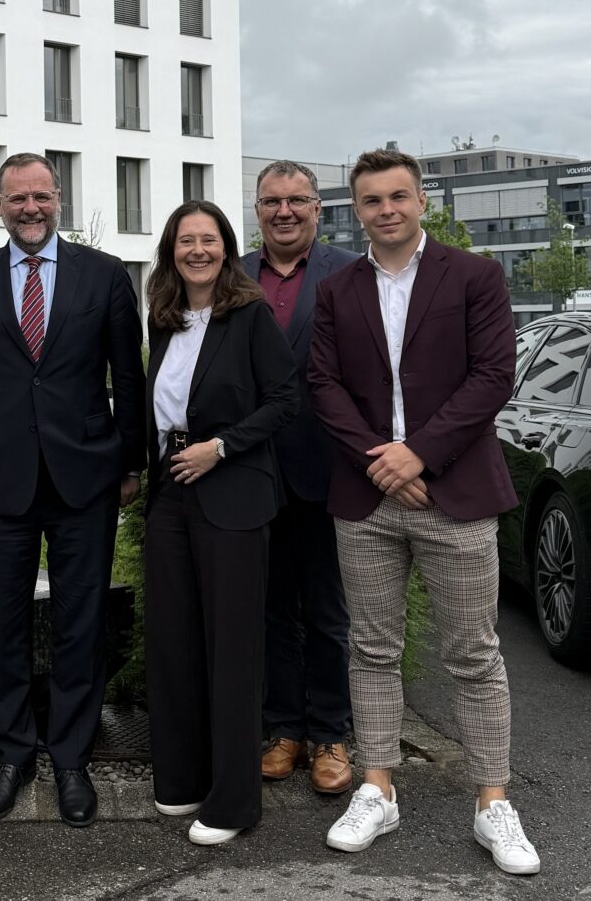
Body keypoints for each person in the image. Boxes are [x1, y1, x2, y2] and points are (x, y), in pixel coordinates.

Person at [308, 148, 540, 876]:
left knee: (473, 652)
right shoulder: (339, 289)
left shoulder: (474, 276)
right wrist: (384, 457)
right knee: (371, 647)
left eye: (398, 196)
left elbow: (493, 374)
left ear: (422, 202)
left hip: (457, 495)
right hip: (367, 495)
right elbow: (324, 382)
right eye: (371, 200)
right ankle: (377, 785)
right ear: (357, 209)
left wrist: (421, 454)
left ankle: (492, 801)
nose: (386, 209)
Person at [0, 152, 145, 828]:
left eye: (40, 195)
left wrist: (131, 463)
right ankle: (12, 752)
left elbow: (129, 378)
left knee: (78, 621)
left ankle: (70, 756)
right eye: (16, 198)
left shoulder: (106, 276)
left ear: (58, 197)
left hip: (85, 476)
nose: (30, 208)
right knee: (2, 620)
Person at [143, 200, 299, 845]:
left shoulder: (250, 313)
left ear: (227, 248)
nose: (197, 251)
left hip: (231, 488)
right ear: (171, 251)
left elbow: (287, 399)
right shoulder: (164, 317)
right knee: (174, 640)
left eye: (208, 240)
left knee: (233, 648)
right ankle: (182, 781)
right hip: (170, 491)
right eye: (186, 241)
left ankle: (233, 804)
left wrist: (223, 447)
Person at [242, 162, 357, 794]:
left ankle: (332, 734)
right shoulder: (230, 274)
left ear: (318, 207)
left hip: (325, 468)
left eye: (296, 201)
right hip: (251, 471)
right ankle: (283, 728)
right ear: (256, 209)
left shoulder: (349, 272)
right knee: (268, 609)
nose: (284, 212)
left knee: (327, 612)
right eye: (271, 201)